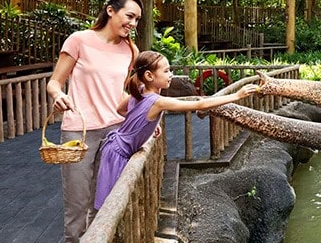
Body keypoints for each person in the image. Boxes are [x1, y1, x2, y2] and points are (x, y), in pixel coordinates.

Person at [94, 51, 259, 209]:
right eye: (166, 71)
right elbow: (199, 105)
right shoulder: (157, 101)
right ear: (149, 76)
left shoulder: (140, 92)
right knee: (111, 204)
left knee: (117, 201)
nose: (170, 74)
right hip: (118, 154)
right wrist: (237, 95)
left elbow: (121, 110)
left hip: (114, 147)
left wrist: (148, 123)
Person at [46, 0, 142, 243]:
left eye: (137, 20)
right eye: (129, 16)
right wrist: (59, 95)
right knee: (77, 204)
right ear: (110, 10)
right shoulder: (79, 40)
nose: (133, 24)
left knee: (105, 202)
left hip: (114, 132)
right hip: (79, 130)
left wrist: (143, 118)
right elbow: (54, 81)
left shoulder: (130, 51)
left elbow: (120, 94)